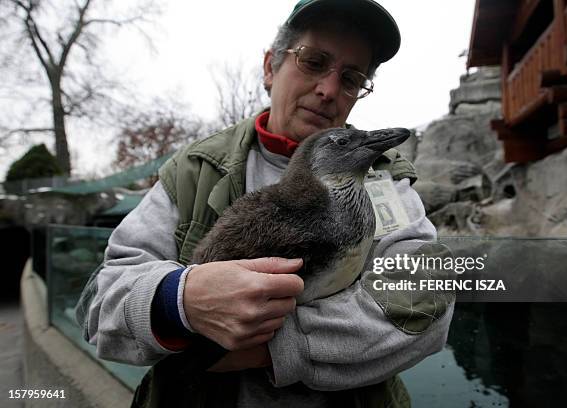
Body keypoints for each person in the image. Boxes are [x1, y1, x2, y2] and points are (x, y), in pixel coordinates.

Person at [77, 1, 455, 407]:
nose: (328, 90)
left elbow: (427, 299)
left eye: (350, 78)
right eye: (313, 61)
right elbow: (99, 309)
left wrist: (264, 349)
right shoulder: (194, 170)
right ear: (271, 67)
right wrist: (181, 299)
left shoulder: (383, 180)